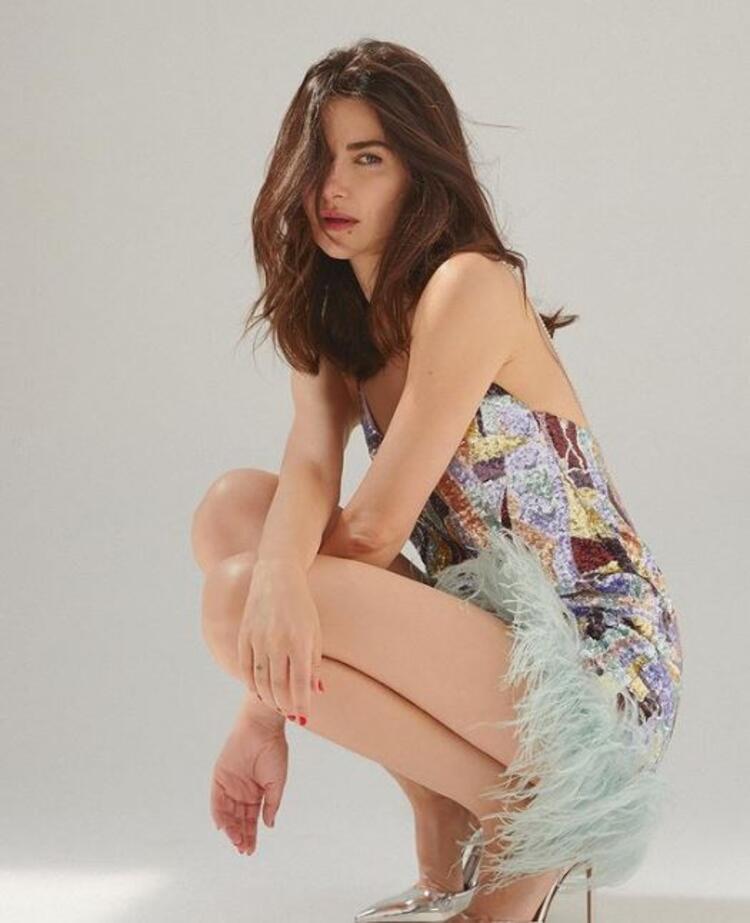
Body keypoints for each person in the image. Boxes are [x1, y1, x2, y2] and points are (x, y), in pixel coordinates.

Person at [191, 39, 683, 923]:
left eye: (368, 159)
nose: (333, 187)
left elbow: (374, 530)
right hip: (477, 640)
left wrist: (257, 710)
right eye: (320, 158)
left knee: (240, 596)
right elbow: (310, 467)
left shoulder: (470, 284)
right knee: (235, 513)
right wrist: (273, 585)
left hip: (589, 669)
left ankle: (536, 820)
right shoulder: (332, 314)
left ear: (420, 172)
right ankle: (454, 809)